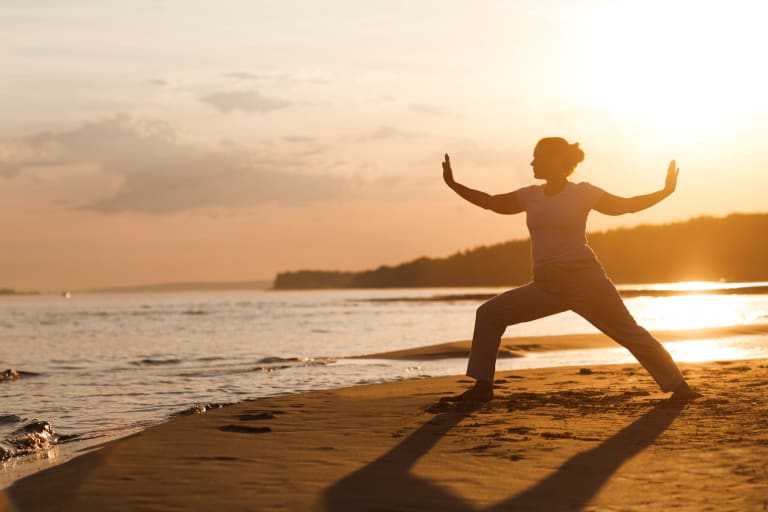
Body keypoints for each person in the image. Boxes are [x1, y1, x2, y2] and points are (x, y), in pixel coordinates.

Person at [442, 137, 699, 403]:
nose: (532, 162)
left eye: (538, 156)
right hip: (546, 286)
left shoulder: (582, 192)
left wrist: (664, 191)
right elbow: (490, 202)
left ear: (556, 160)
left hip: (586, 281)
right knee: (489, 314)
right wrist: (454, 185)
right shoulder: (530, 196)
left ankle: (679, 388)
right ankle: (482, 388)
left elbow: (625, 206)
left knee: (630, 333)